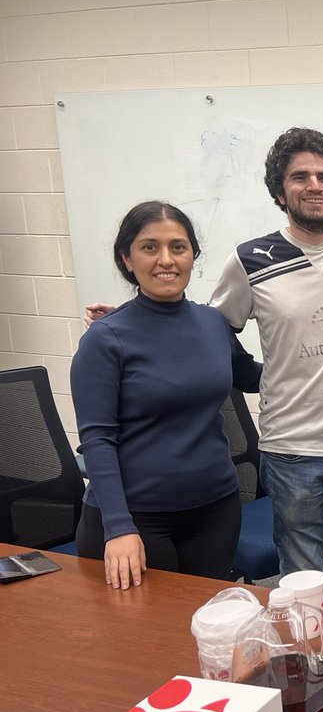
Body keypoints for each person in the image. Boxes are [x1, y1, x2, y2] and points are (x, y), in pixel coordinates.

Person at [208, 127, 323, 604]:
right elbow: (210, 330)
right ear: (279, 190)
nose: (315, 185)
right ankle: (307, 674)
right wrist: (255, 377)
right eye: (300, 176)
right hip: (293, 450)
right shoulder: (250, 259)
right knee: (300, 584)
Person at [71, 201, 261, 590]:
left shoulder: (213, 322)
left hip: (215, 510)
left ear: (193, 255)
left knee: (207, 632)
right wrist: (119, 528)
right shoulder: (106, 339)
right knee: (147, 644)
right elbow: (97, 440)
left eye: (178, 247)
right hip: (137, 520)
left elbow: (254, 377)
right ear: (126, 258)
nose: (166, 260)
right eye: (149, 247)